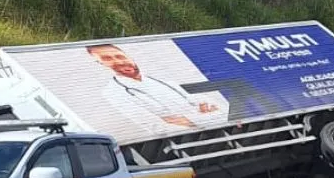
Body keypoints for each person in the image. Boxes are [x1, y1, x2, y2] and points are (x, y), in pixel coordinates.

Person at [87, 43, 229, 137]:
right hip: (190, 139)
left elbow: (216, 106)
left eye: (120, 56)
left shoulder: (165, 82)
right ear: (100, 64)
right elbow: (157, 126)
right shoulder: (114, 93)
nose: (119, 61)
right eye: (107, 58)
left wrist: (185, 120)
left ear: (129, 56)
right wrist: (204, 118)